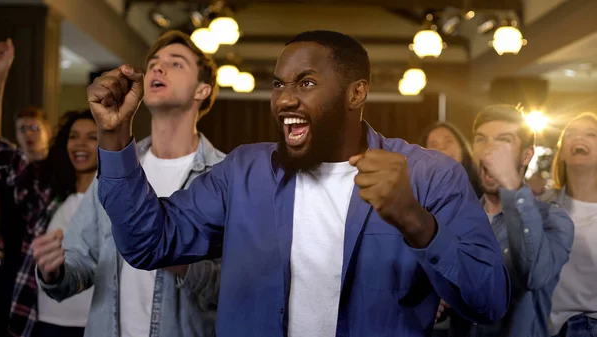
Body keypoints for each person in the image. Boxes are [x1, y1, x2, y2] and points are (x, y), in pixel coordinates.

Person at [90, 30, 509, 337]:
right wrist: (113, 135)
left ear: (356, 93)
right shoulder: (244, 172)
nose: (285, 99)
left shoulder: (429, 175)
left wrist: (416, 222)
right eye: (279, 85)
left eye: (306, 83)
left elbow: (488, 303)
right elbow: (148, 242)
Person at [32, 30, 224, 337]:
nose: (158, 68)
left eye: (176, 63)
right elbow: (82, 261)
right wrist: (54, 271)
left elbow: (236, 285)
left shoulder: (223, 175)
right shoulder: (113, 168)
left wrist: (181, 262)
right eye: (155, 62)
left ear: (202, 90)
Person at [442, 104, 574, 337]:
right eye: (481, 140)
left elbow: (533, 276)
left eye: (503, 140)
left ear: (526, 155)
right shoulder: (458, 218)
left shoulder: (553, 219)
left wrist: (512, 187)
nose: (489, 150)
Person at [13, 110, 98, 337]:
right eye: (74, 136)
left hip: (95, 325)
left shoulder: (114, 203)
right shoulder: (50, 197)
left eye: (92, 137)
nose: (81, 144)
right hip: (43, 322)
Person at [0, 38, 55, 337]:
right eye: (23, 129)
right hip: (10, 266)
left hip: (44, 266)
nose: (29, 135)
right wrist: (0, 76)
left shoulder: (58, 170)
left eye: (35, 128)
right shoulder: (12, 164)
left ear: (47, 131)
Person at [548, 112, 597, 337]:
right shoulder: (541, 207)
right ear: (562, 151)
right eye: (571, 134)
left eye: (591, 134)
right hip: (546, 328)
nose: (580, 138)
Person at [420, 122, 482, 198]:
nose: (442, 148)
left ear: (461, 147)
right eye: (434, 145)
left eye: (448, 141)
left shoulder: (484, 187)